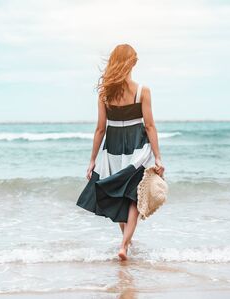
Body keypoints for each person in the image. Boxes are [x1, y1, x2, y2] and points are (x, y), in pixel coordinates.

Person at [76, 44, 164, 261]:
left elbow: (100, 129)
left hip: (113, 148)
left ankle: (126, 242)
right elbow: (150, 126)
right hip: (137, 149)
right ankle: (124, 244)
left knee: (118, 195)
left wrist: (92, 160)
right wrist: (158, 156)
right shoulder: (143, 91)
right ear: (131, 63)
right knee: (133, 198)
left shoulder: (105, 94)